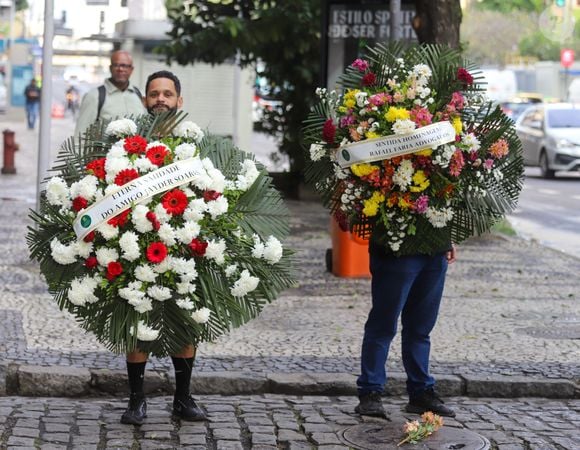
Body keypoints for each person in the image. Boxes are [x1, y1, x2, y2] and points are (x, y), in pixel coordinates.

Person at [120, 70, 205, 426]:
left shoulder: (196, 143)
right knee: (137, 322)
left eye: (167, 94)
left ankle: (182, 399)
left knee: (185, 322)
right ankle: (136, 401)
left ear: (179, 101)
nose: (160, 99)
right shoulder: (128, 145)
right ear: (145, 100)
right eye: (154, 93)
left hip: (184, 247)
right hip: (138, 246)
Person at [355, 239, 458, 419]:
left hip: (435, 249)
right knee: (383, 325)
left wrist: (448, 238)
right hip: (396, 248)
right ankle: (370, 392)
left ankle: (420, 392)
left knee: (421, 327)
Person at [74, 50, 146, 136]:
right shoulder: (95, 96)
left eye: (125, 66)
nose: (120, 69)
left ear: (131, 69)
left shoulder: (138, 95)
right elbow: (81, 133)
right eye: (116, 65)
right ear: (110, 68)